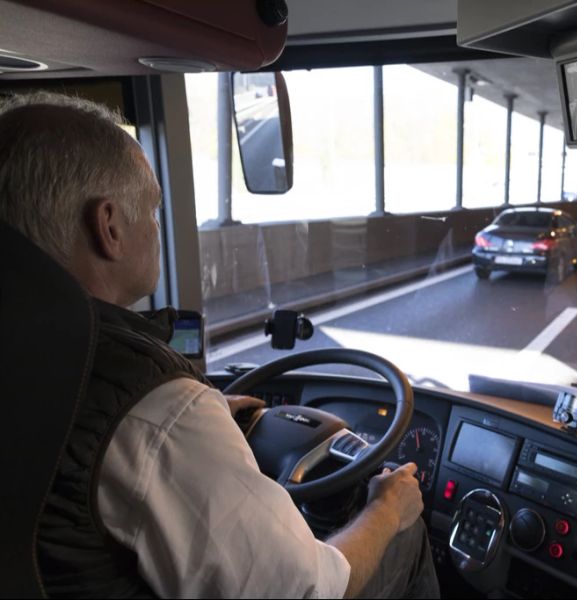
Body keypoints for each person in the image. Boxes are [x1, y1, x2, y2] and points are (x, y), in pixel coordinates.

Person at [0, 92, 439, 599]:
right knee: (401, 528)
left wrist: (202, 421)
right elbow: (306, 590)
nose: (157, 227)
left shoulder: (37, 356)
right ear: (110, 227)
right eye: (153, 211)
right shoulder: (158, 409)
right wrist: (384, 507)